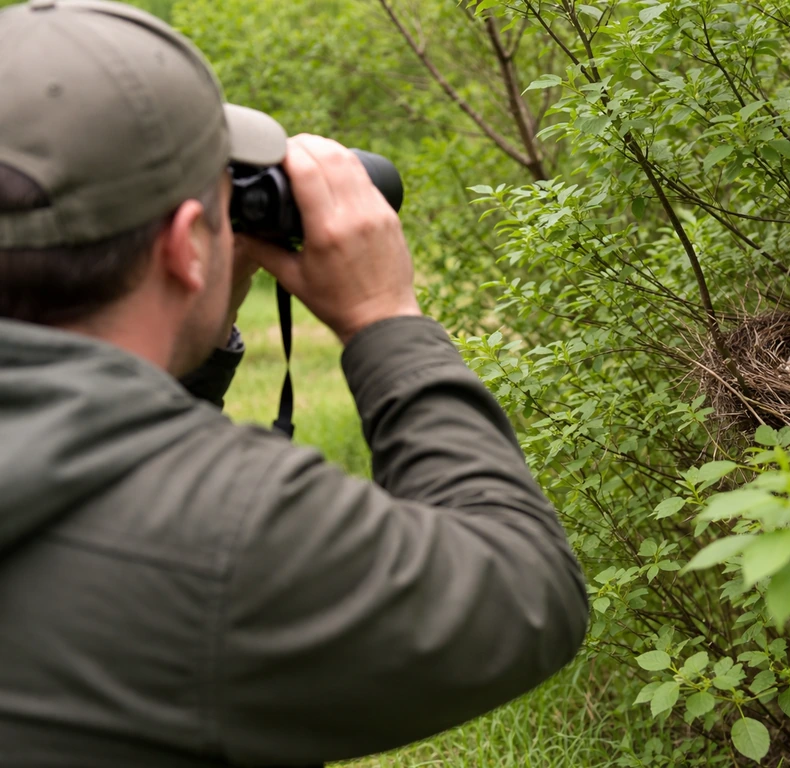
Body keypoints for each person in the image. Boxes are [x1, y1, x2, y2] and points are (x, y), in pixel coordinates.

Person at [0, 1, 589, 765]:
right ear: (186, 245)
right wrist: (386, 321)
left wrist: (196, 338)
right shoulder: (229, 537)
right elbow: (523, 592)